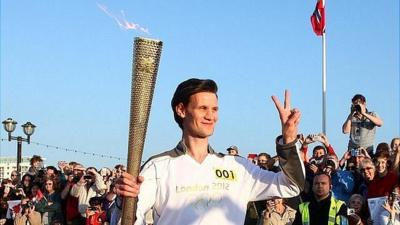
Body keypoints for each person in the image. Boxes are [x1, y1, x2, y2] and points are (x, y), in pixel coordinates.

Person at [116, 78, 305, 225]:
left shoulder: (237, 167)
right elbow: (131, 219)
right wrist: (124, 201)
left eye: (215, 109)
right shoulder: (158, 167)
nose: (210, 116)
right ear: (181, 110)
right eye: (203, 108)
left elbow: (292, 186)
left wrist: (288, 141)